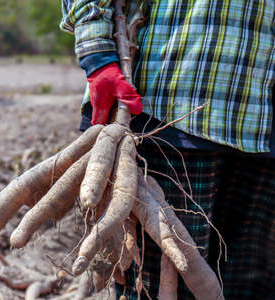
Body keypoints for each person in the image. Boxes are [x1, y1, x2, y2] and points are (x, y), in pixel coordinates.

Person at [60, 0, 274, 299]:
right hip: (167, 104)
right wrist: (97, 52)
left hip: (263, 123)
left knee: (253, 286)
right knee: (153, 284)